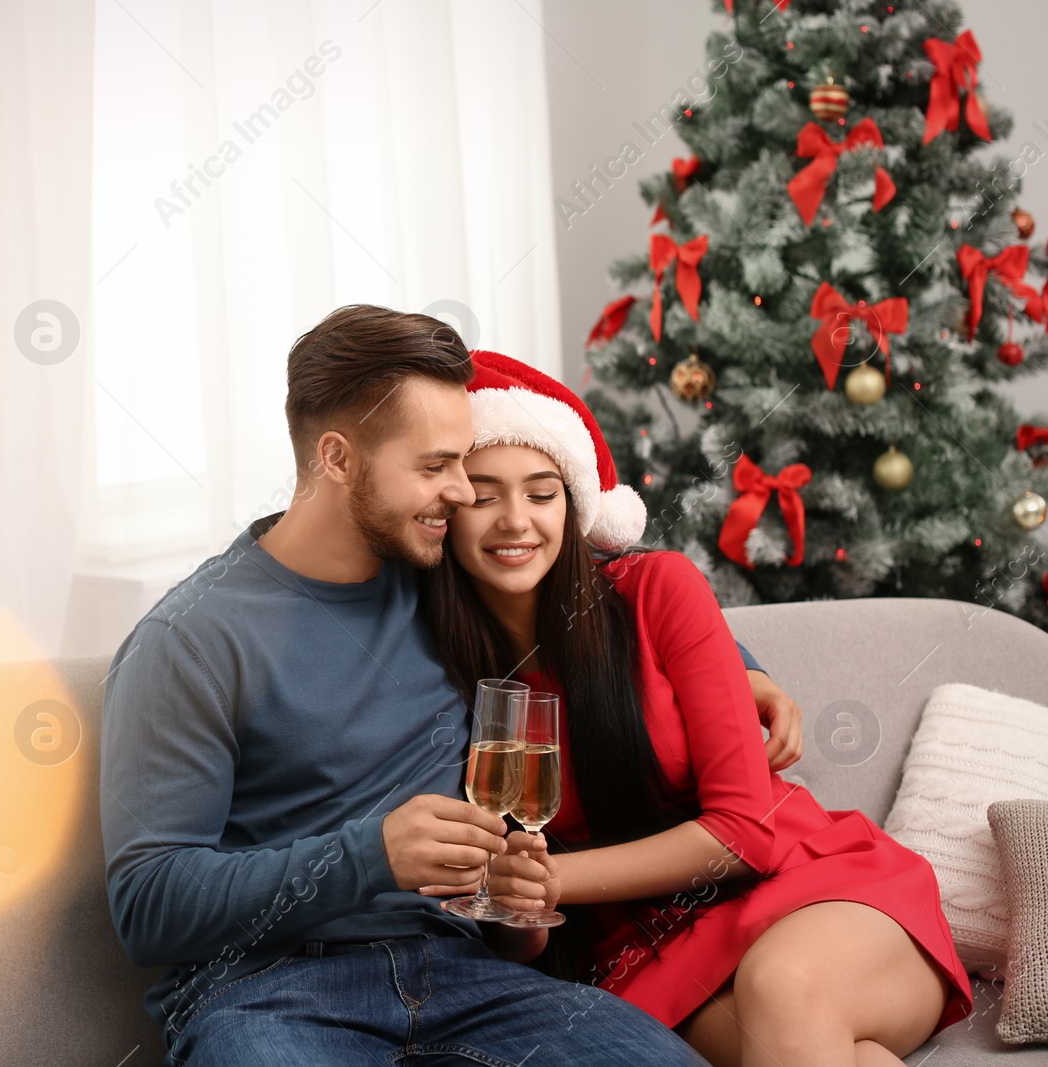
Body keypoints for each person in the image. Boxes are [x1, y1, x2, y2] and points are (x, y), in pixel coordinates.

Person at [100, 305, 800, 1066]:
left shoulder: (440, 579)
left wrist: (743, 670)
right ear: (337, 458)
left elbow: (600, 590)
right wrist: (368, 855)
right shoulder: (193, 639)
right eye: (436, 466)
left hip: (473, 978)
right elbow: (147, 904)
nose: (464, 493)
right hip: (266, 990)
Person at [418, 349, 973, 1067]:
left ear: (576, 502)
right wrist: (517, 899)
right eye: (485, 494)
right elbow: (516, 930)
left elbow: (747, 832)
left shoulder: (657, 590)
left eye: (542, 491)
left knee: (783, 988)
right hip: (652, 958)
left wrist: (559, 877)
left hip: (814, 889)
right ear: (449, 508)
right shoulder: (439, 663)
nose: (515, 521)